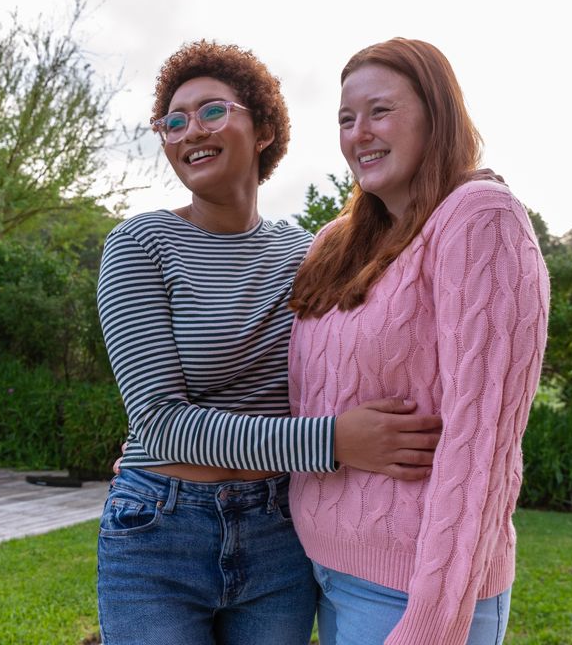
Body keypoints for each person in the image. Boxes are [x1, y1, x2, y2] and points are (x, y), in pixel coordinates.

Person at [95, 40, 443, 645]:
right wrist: (335, 441)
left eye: (210, 111)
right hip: (158, 531)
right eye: (172, 122)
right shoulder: (139, 245)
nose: (188, 132)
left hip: (279, 532)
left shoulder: (311, 253)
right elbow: (158, 422)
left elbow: (377, 335)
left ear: (262, 128)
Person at [287, 37, 550, 645]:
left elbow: (481, 440)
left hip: (407, 593)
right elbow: (298, 395)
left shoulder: (479, 217)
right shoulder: (339, 240)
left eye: (380, 111)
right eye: (346, 120)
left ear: (437, 113)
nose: (359, 134)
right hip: (318, 567)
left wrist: (432, 623)